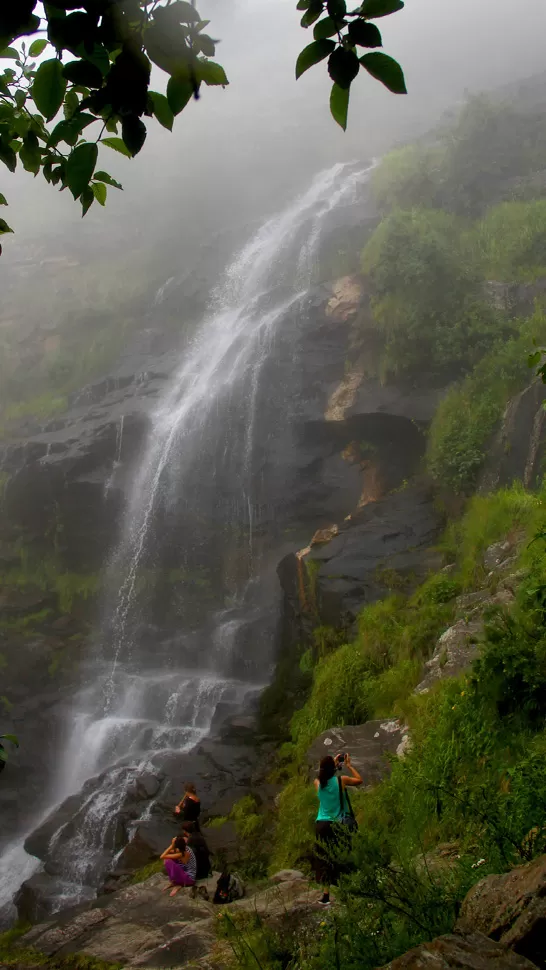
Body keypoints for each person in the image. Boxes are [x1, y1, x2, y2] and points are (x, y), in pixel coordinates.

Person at [313, 752, 362, 907]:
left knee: (324, 860)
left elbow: (321, 774)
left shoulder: (318, 783)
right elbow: (359, 780)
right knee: (341, 856)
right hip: (336, 824)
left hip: (320, 825)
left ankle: (326, 896)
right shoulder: (341, 780)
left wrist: (332, 764)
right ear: (334, 768)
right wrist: (348, 766)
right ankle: (347, 891)